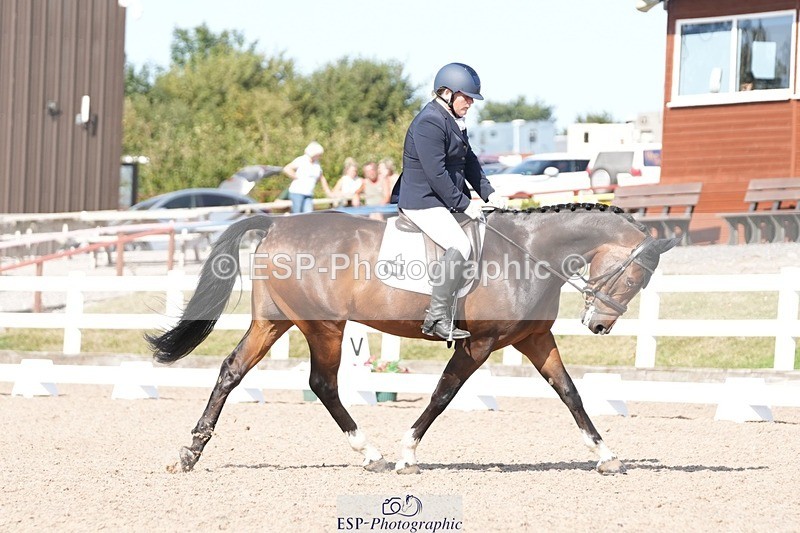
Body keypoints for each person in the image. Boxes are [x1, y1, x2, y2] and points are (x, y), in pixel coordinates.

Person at [391, 62, 507, 340]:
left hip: (443, 199)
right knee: (460, 243)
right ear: (446, 93)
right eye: (466, 97)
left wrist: (489, 192)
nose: (470, 103)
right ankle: (437, 317)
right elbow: (436, 173)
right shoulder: (429, 121)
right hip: (424, 200)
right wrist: (465, 204)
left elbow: (469, 162)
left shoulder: (453, 120)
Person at [283, 141, 332, 214]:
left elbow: (321, 176)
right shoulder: (301, 160)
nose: (320, 156)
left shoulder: (316, 164)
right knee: (297, 214)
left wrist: (327, 190)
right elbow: (287, 169)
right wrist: (296, 177)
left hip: (308, 193)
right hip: (297, 192)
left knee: (308, 214)